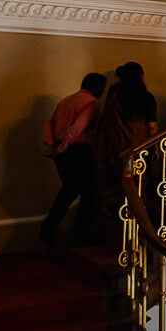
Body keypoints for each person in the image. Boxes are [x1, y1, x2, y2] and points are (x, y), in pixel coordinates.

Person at [40, 72, 106, 246]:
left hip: (62, 150)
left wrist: (52, 145)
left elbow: (50, 123)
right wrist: (65, 145)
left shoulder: (66, 101)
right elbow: (77, 128)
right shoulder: (92, 103)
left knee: (69, 190)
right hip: (78, 150)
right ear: (97, 87)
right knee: (88, 194)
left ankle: (48, 228)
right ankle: (79, 234)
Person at [95, 62, 158, 186]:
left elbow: (108, 119)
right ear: (141, 77)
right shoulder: (147, 98)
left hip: (115, 144)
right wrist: (155, 147)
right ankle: (135, 203)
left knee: (115, 179)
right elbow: (152, 126)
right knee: (137, 179)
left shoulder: (114, 92)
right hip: (139, 144)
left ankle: (116, 204)